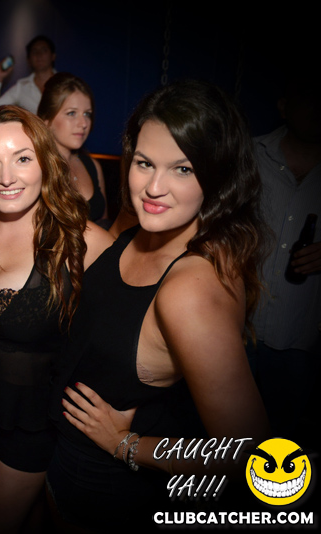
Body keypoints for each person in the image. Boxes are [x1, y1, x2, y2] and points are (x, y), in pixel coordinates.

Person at [49, 80, 270, 530]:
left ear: (218, 175)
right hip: (62, 459)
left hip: (108, 492)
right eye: (145, 163)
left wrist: (127, 445)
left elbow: (249, 454)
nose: (153, 187)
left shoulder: (190, 289)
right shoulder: (142, 221)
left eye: (182, 169)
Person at [0, 105, 113, 533]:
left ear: (45, 161)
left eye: (22, 158)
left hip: (36, 423)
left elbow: (129, 331)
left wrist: (124, 411)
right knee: (32, 512)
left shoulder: (83, 242)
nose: (6, 177)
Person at [248, 73, 321, 439]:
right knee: (222, 439)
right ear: (284, 106)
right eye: (309, 95)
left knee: (280, 443)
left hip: (302, 338)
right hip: (237, 327)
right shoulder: (250, 155)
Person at [37, 72, 108, 225]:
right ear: (47, 120)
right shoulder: (36, 168)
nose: (83, 123)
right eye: (71, 113)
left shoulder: (93, 166)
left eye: (87, 114)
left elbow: (105, 225)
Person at [0, 35, 56, 113]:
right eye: (34, 51)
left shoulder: (63, 83)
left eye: (44, 50)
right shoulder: (21, 86)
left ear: (53, 56)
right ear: (28, 60)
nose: (39, 55)